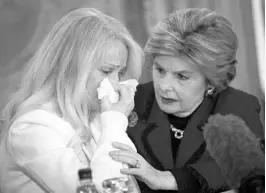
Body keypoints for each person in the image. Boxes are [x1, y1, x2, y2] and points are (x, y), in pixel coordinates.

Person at [109, 8, 264, 193]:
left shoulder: (237, 107)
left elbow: (248, 171)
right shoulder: (133, 101)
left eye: (182, 76)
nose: (164, 86)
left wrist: (167, 179)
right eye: (160, 70)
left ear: (210, 82)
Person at [0, 8, 143, 193]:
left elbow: (124, 188)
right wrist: (115, 122)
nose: (116, 84)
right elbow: (98, 190)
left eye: (121, 73)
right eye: (107, 71)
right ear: (71, 69)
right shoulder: (31, 129)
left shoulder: (96, 120)